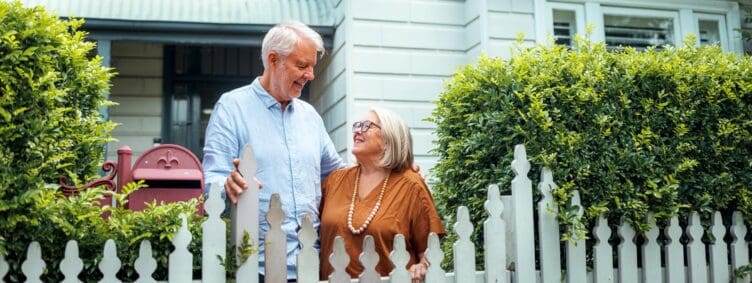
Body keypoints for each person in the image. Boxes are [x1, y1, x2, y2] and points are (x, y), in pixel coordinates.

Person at [202, 21, 344, 280]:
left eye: (312, 66)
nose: (310, 75)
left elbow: (339, 175)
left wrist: (395, 171)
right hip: (256, 269)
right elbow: (211, 181)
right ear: (273, 60)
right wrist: (226, 185)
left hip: (313, 266)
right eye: (302, 66)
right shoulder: (231, 108)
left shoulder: (310, 116)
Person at [319, 107, 445, 282]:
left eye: (367, 126)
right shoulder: (335, 181)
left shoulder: (411, 186)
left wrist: (422, 266)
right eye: (357, 125)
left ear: (389, 138)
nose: (357, 130)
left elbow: (429, 252)